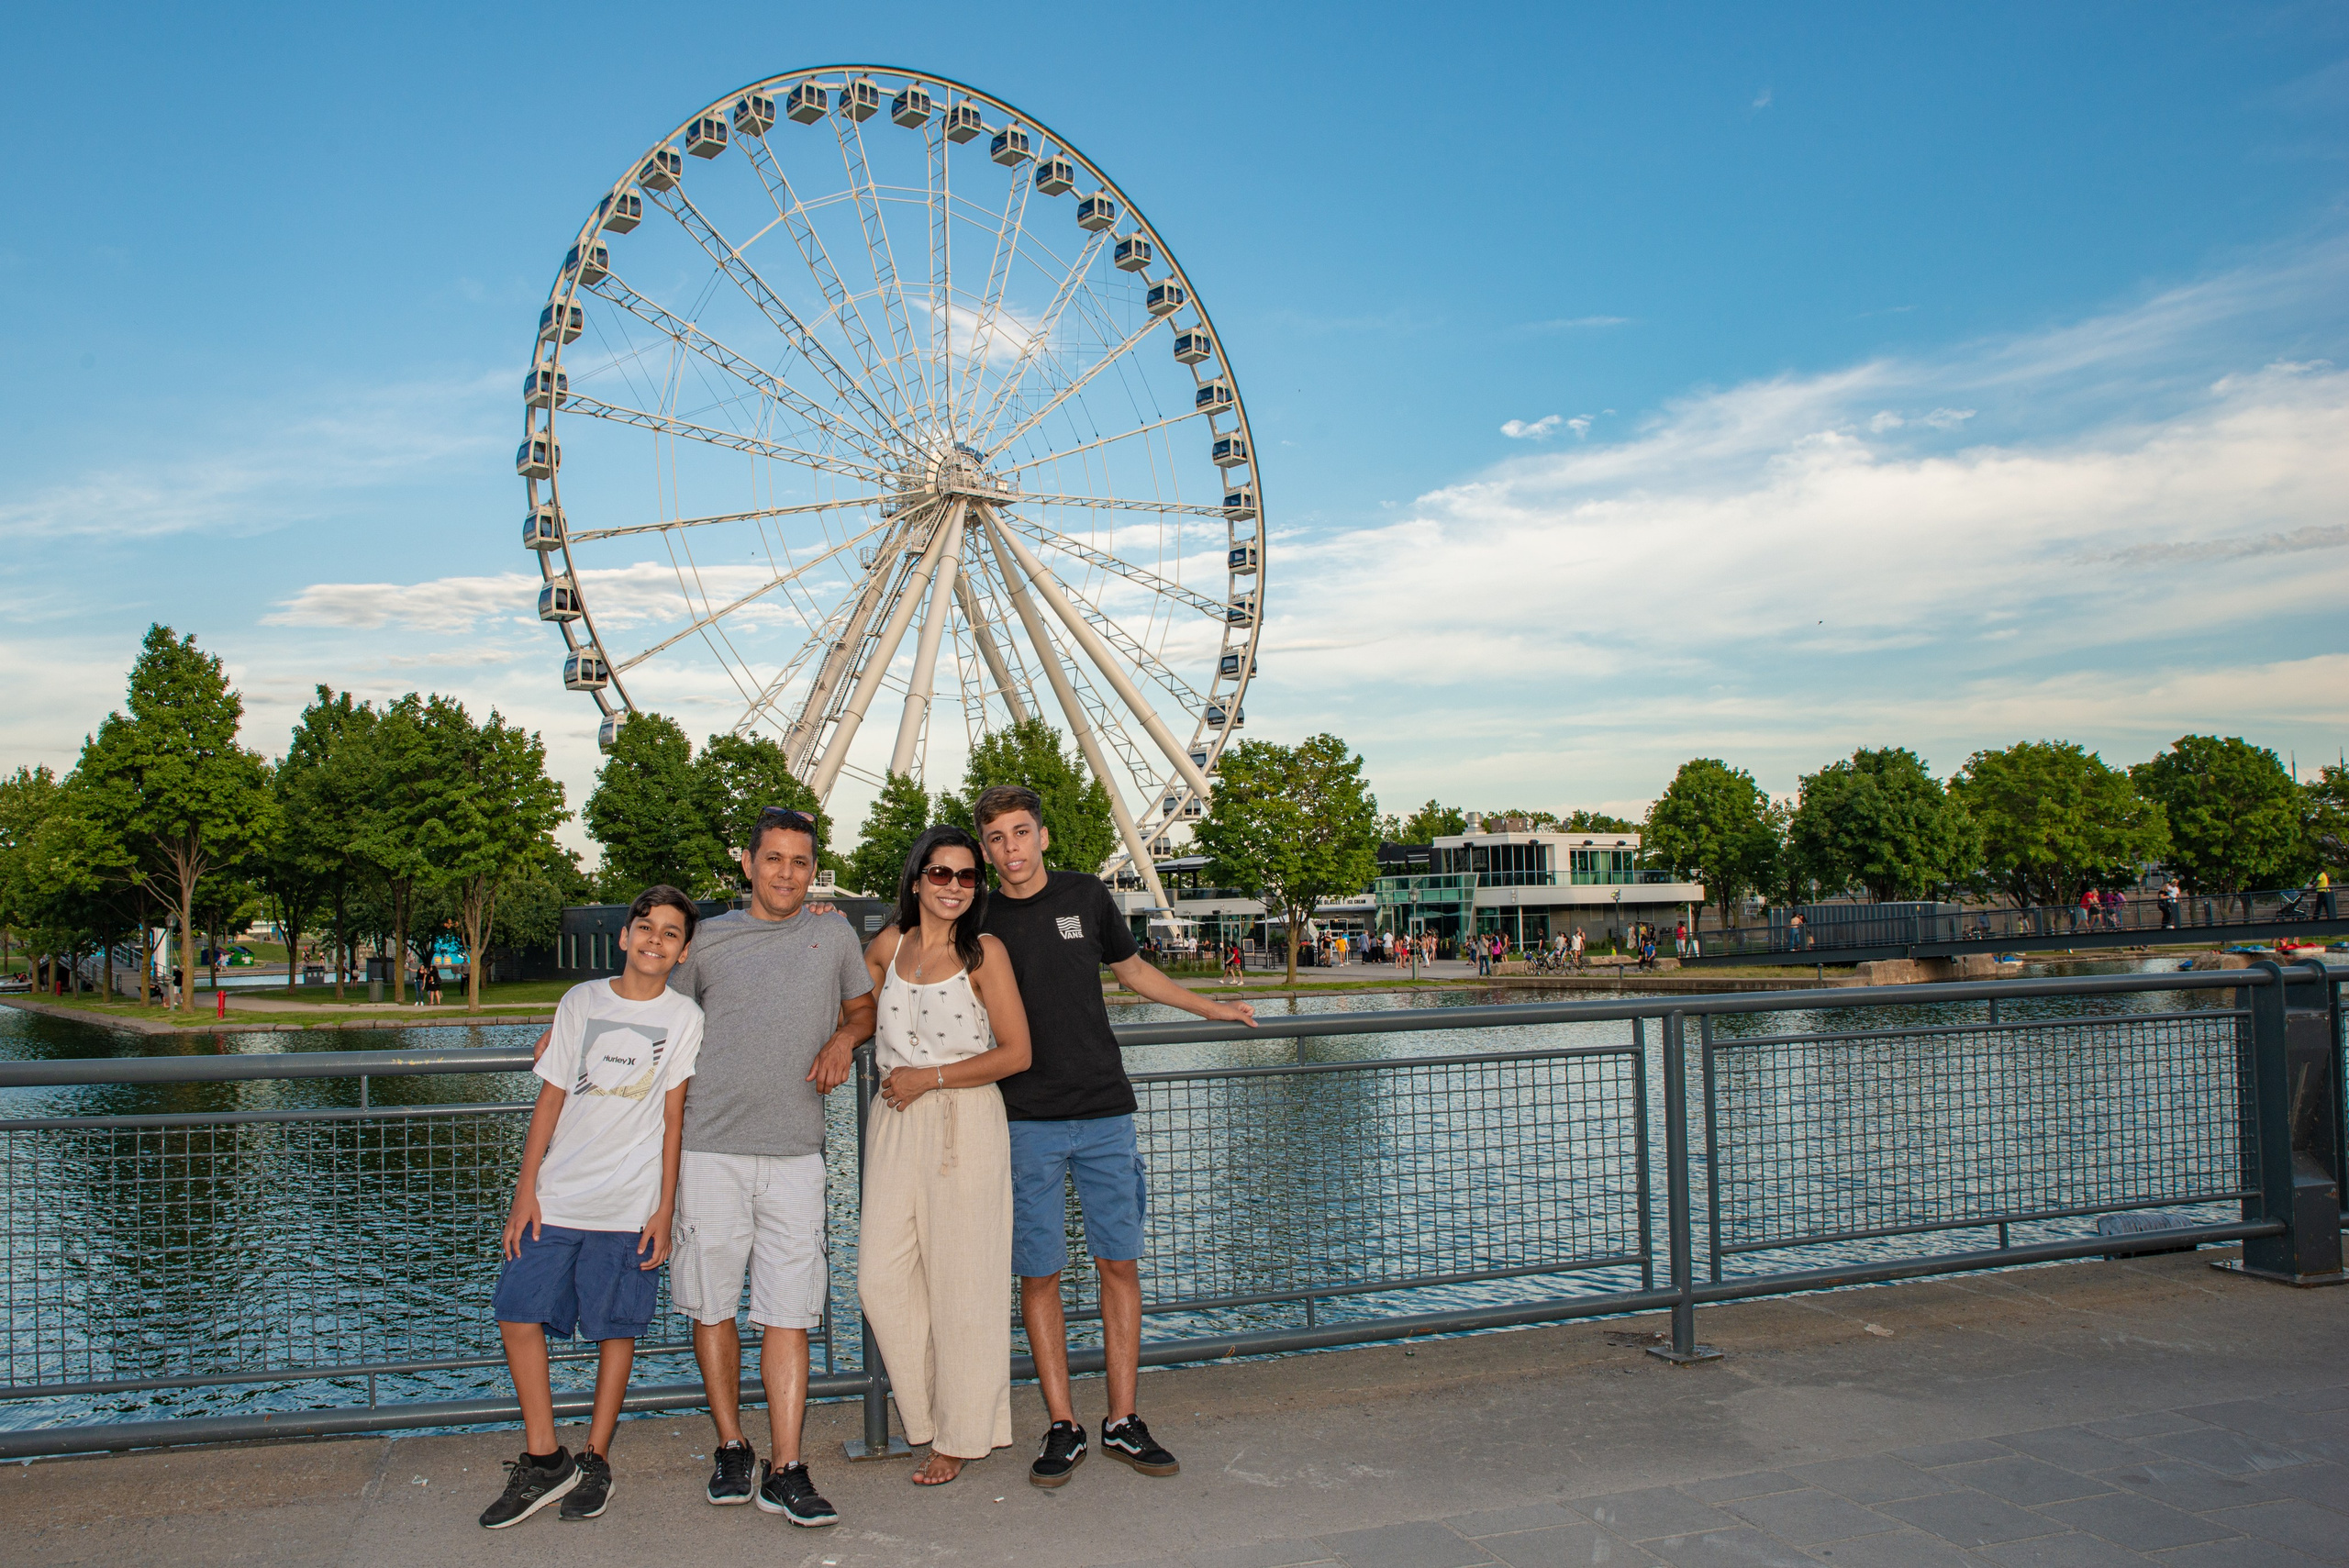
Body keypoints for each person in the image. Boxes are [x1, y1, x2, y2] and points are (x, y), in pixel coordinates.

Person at [534, 806, 874, 1528]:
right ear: (747, 862)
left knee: (790, 1309)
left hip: (796, 1153)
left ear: (815, 869)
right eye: (773, 858)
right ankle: (731, 1444)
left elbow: (865, 1005)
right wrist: (567, 1024)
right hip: (708, 1152)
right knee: (712, 1303)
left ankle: (787, 1465)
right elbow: (643, 1001)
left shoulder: (833, 932)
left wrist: (846, 1037)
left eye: (801, 861)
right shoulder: (707, 942)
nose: (787, 872)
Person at [969, 784, 1257, 1489]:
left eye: (1020, 832)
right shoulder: (975, 913)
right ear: (985, 849)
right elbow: (904, 945)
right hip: (1024, 1117)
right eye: (997, 838)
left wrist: (1211, 1009)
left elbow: (1134, 972)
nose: (1010, 849)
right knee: (1038, 1272)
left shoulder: (1085, 896)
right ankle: (1062, 1423)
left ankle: (1123, 1419)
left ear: (1043, 835)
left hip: (1104, 1109)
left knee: (1118, 1263)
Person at [479, 886, 703, 1529]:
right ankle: (546, 1457)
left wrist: (663, 1207)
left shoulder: (684, 1017)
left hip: (629, 1204)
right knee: (517, 1310)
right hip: (559, 1196)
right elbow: (549, 1099)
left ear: (682, 950)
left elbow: (672, 1118)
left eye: (669, 933)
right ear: (625, 935)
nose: (655, 940)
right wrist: (526, 1190)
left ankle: (596, 1456)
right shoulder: (581, 1001)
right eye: (646, 927)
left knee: (616, 1328)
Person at [859, 827, 1033, 1486]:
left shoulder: (984, 952)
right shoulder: (888, 945)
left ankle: (960, 1435)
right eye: (941, 874)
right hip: (894, 1123)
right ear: (915, 880)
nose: (955, 886)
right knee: (880, 1278)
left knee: (965, 1286)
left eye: (966, 876)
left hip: (962, 1116)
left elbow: (1016, 1052)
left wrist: (928, 1079)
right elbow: (847, 1005)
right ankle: (929, 1413)